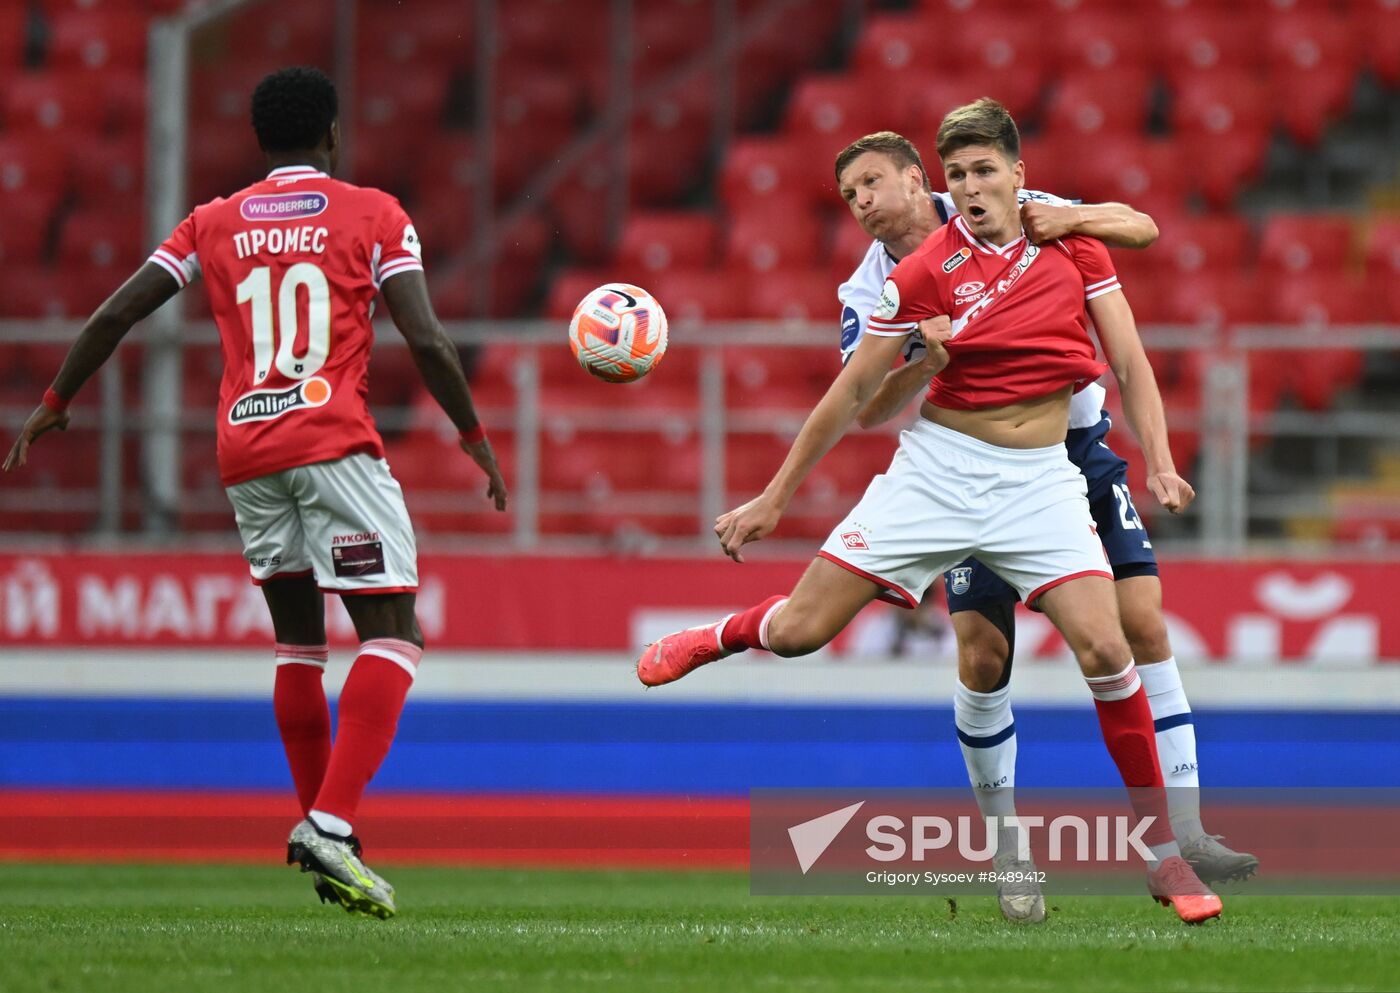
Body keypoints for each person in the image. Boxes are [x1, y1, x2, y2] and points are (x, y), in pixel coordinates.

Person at [637, 98, 1221, 924]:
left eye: (984, 171)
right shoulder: (907, 279)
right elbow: (851, 399)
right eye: (962, 174)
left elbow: (1128, 353)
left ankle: (1165, 857)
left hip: (1042, 478)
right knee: (807, 633)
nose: (973, 187)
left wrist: (1159, 460)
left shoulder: (1068, 236)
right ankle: (721, 634)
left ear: (1017, 174)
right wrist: (775, 496)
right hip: (940, 473)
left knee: (1106, 643)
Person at [2, 66, 507, 920]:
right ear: (333, 136)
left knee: (298, 643)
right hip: (332, 444)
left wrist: (55, 403)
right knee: (395, 631)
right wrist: (473, 435)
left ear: (257, 141)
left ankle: (327, 838)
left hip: (246, 452)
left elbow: (115, 314)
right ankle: (332, 822)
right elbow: (426, 338)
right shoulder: (375, 213)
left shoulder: (214, 220)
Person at [832, 131, 1257, 923]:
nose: (860, 201)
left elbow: (1137, 231)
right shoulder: (870, 291)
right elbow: (866, 403)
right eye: (848, 192)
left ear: (912, 180)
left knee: (1138, 625)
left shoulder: (1018, 209)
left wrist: (1072, 217)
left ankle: (1186, 835)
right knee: (984, 652)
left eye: (871, 183)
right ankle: (1010, 855)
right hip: (973, 468)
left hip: (1078, 453)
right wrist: (924, 358)